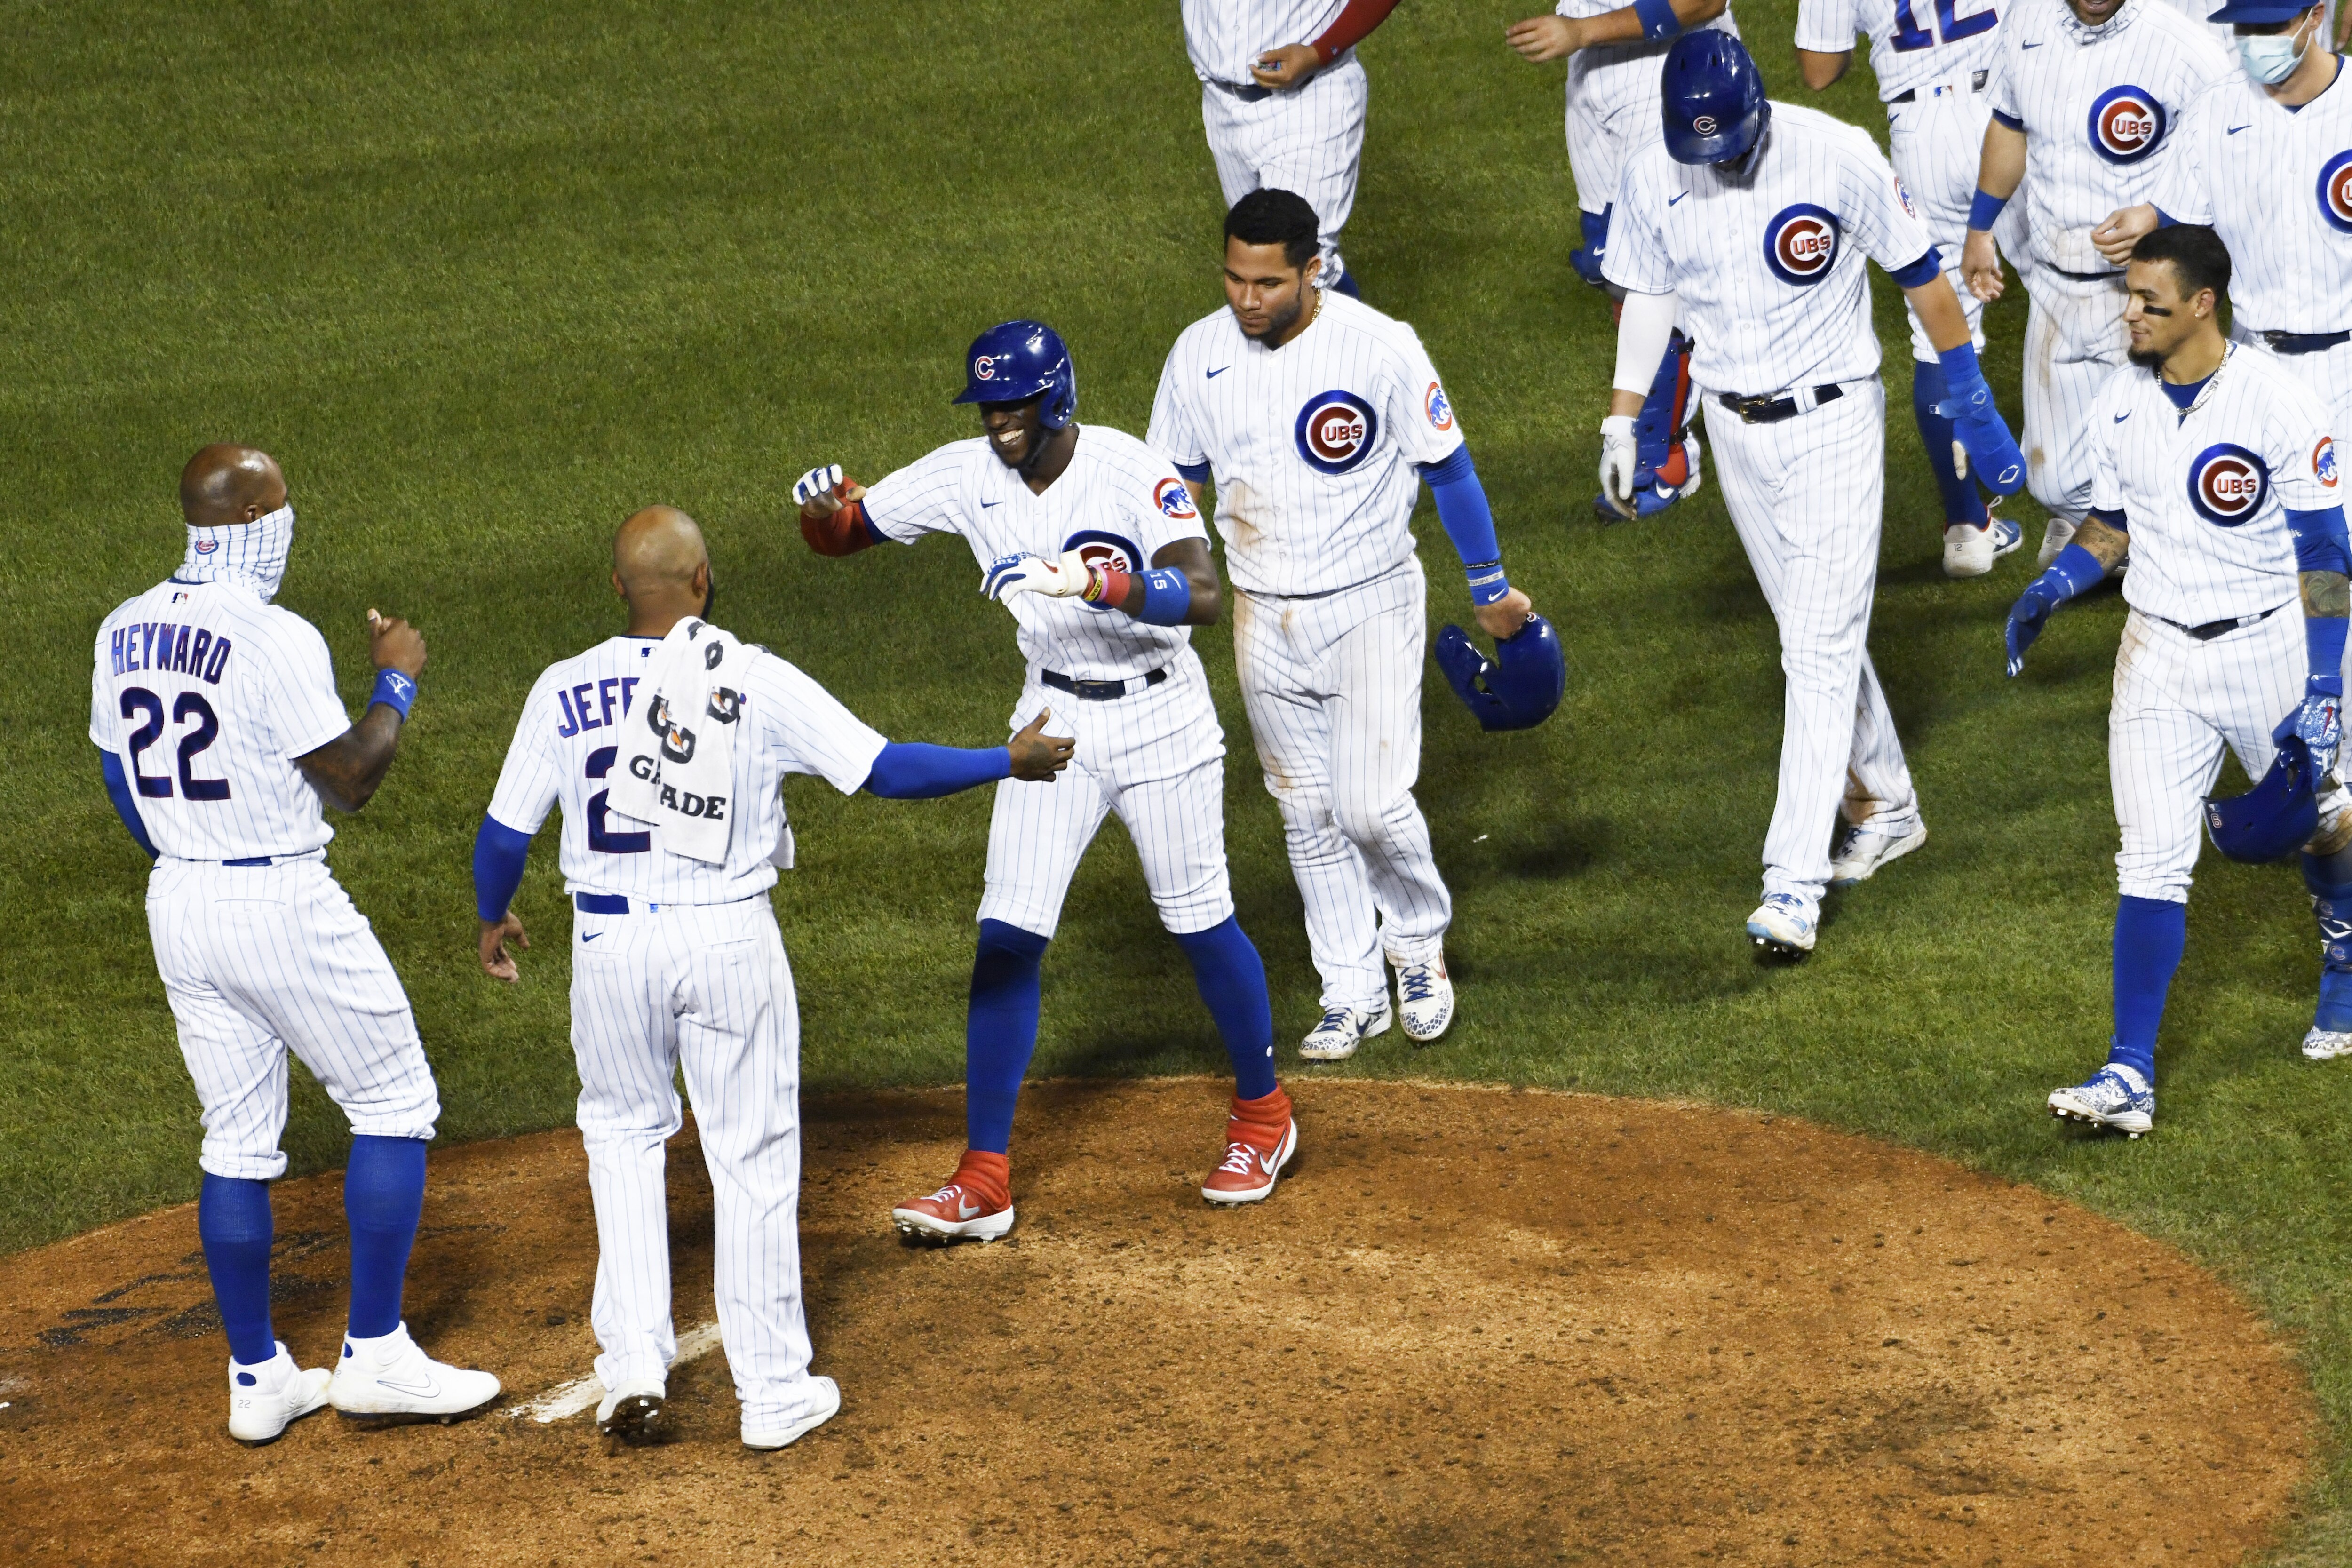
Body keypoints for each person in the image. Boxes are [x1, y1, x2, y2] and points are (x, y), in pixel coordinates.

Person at [472, 506, 1072, 1446]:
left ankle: (632, 1365)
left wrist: (492, 914)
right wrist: (1008, 759)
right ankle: (772, 1391)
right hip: (724, 943)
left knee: (622, 1142)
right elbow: (883, 770)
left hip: (608, 950)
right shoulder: (751, 679)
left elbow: (504, 836)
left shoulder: (562, 686)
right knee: (749, 1157)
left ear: (617, 588)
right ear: (703, 581)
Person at [789, 320, 1303, 1239]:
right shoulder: (963, 471)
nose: (999, 425)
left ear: (1054, 395)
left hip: (1160, 717)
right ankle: (984, 1176)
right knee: (1007, 935)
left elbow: (1204, 591)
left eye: (1014, 406)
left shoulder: (1129, 468)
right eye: (988, 408)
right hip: (1052, 717)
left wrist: (1096, 584)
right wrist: (820, 506)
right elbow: (846, 534)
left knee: (1198, 919)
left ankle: (1264, 1115)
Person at [88, 444, 499, 1445]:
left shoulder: (121, 627)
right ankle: (376, 1353)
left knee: (234, 1137)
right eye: (280, 506)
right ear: (253, 521)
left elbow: (118, 779)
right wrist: (396, 681)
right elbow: (351, 779)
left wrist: (192, 841)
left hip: (179, 899)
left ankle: (258, 1374)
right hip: (277, 899)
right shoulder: (273, 638)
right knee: (395, 1100)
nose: (289, 521)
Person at [1597, 32, 2027, 955]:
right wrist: (1625, 417)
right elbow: (1647, 296)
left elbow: (1922, 273)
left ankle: (1790, 886)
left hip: (1834, 418)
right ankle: (1891, 804)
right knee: (1810, 628)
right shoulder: (1650, 174)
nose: (1715, 160)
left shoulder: (1836, 155)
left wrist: (1969, 395)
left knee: (1815, 652)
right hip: (1729, 421)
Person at [1148, 188, 1541, 1057]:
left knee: (1367, 803)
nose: (1246, 298)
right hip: (1261, 610)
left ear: (1312, 269)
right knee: (1305, 811)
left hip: (1369, 602)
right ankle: (1348, 982)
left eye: (1267, 282)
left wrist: (1490, 584)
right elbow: (1175, 490)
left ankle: (1415, 945)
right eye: (1233, 278)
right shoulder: (1197, 354)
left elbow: (1450, 467)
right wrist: (1163, 590)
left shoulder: (1378, 346)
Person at [2002, 226, 2347, 1132]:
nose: (2130, 315)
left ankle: (2344, 964)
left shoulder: (2278, 403)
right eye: (2128, 296)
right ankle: (2129, 1074)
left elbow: (2326, 561)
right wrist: (2056, 581)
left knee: (2327, 822)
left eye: (2150, 302)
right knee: (2151, 859)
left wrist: (2323, 688)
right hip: (2156, 651)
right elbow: (2112, 525)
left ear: (2203, 305)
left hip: (2271, 645)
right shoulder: (2120, 399)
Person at [1959, 0, 2230, 568]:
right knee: (2050, 479)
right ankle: (2113, 531)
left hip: (2145, 293)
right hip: (2056, 286)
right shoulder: (2025, 24)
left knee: (2167, 440)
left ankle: (2179, 550)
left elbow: (2229, 149)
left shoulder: (2181, 47)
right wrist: (1980, 227)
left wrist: (2157, 214)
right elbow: (2008, 128)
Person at [1796, 0, 2029, 575]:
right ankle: (2104, 508)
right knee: (2072, 288)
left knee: (1940, 333)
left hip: (1920, 133)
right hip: (2012, 112)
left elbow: (1818, 70)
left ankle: (1966, 530)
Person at [2089, 0, 2351, 470]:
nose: (2253, 39)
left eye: (2270, 25)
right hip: (2254, 361)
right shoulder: (2214, 108)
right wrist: (2147, 218)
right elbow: (2178, 213)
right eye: (2243, 26)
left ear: (2314, 16)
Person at [1508, 0, 1739, 518]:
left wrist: (1581, 31)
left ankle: (1666, 459)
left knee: (1662, 276)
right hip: (1593, 70)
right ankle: (1650, 419)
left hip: (1670, 68)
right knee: (1611, 263)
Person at [1182, 0, 1408, 300]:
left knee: (1295, 268)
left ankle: (1344, 340)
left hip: (1312, 96)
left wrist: (1320, 51)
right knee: (1258, 253)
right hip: (1220, 102)